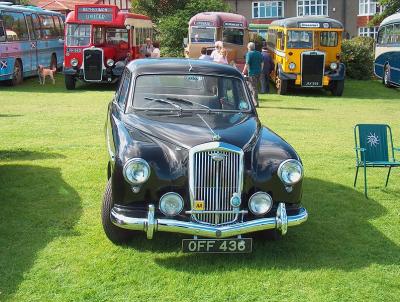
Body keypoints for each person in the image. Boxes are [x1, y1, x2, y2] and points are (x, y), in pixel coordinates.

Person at [242, 42, 263, 107]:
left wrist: (245, 72)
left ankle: (255, 103)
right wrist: (260, 70)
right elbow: (262, 63)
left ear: (249, 47)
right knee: (251, 86)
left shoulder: (249, 54)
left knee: (253, 88)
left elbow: (247, 64)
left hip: (252, 73)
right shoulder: (259, 53)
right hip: (258, 73)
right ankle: (250, 102)